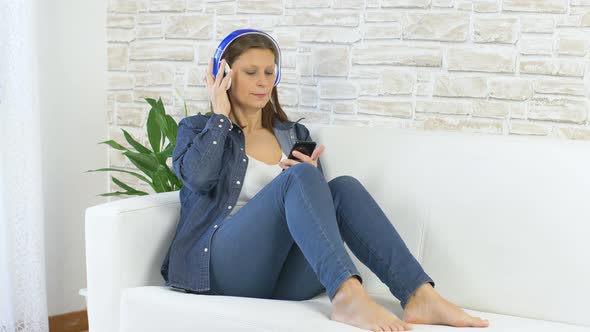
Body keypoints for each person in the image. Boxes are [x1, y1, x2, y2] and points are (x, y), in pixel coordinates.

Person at [160, 29, 490, 332]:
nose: (263, 82)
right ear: (224, 75)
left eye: (270, 72)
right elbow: (198, 179)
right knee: (299, 177)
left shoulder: (292, 134)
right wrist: (220, 117)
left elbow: (316, 223)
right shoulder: (198, 129)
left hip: (278, 279)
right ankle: (347, 296)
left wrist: (310, 177)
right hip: (219, 268)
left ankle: (418, 295)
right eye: (250, 72)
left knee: (343, 188)